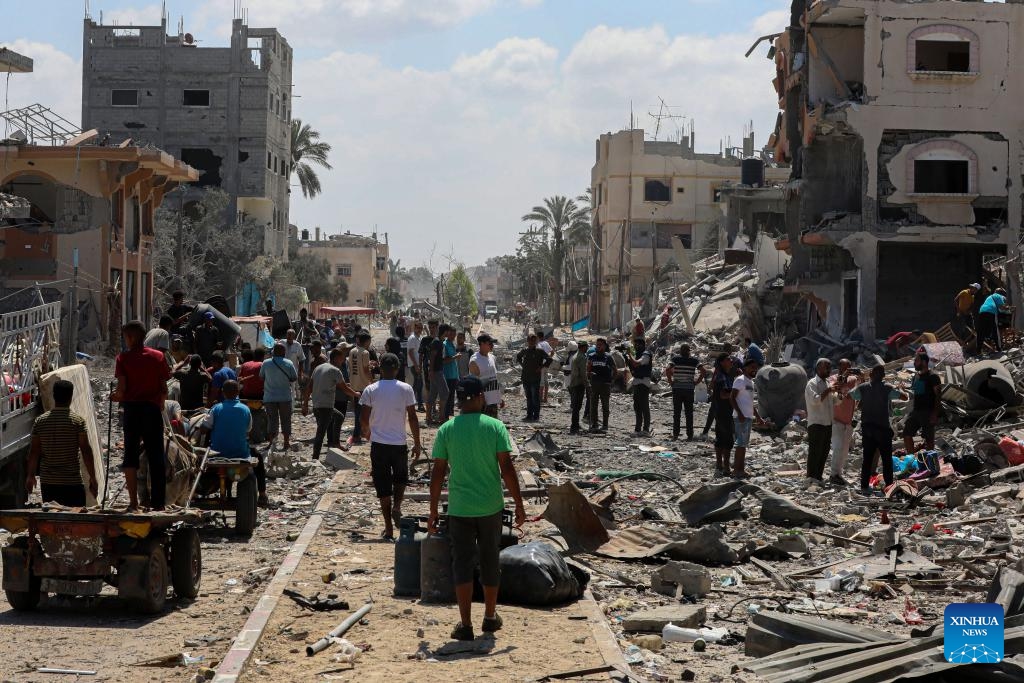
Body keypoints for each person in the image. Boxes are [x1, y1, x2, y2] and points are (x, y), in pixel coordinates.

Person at [428, 376, 525, 642]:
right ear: (481, 397)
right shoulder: (495, 427)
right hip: (490, 506)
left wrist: (433, 510)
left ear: (459, 400)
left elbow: (437, 473)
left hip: (459, 508)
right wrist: (518, 503)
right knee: (490, 560)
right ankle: (490, 617)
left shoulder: (446, 429)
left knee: (462, 563)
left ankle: (465, 624)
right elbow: (506, 468)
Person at [359, 353, 421, 540]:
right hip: (399, 443)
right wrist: (417, 443)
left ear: (380, 367)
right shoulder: (406, 389)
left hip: (379, 445)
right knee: (401, 479)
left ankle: (388, 528)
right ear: (397, 368)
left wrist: (367, 432)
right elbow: (412, 417)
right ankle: (397, 506)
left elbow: (363, 418)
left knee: (383, 487)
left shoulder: (371, 390)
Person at [112, 320, 171, 510]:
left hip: (132, 411)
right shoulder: (158, 357)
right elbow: (164, 389)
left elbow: (121, 390)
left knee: (130, 456)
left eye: (125, 337)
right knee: (156, 456)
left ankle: (133, 503)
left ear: (130, 337)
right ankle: (158, 503)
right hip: (152, 410)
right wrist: (160, 403)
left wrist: (114, 397)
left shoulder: (123, 359)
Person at [26, 379, 98, 507]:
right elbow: (86, 451)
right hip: (72, 482)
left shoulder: (40, 421)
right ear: (71, 397)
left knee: (54, 520)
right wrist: (93, 477)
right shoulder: (77, 422)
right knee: (74, 520)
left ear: (54, 396)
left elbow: (34, 451)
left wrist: (30, 476)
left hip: (48, 483)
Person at [198, 379, 269, 507]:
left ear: (223, 392)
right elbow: (248, 430)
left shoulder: (216, 409)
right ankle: (262, 494)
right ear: (238, 392)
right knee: (258, 457)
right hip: (240, 453)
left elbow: (203, 430)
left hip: (216, 454)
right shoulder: (245, 409)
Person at [303, 347, 361, 460]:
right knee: (321, 432)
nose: (343, 361)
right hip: (326, 406)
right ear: (336, 358)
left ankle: (336, 443)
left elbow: (309, 387)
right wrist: (356, 394)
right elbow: (344, 388)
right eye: (341, 359)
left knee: (339, 417)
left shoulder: (319, 368)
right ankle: (315, 458)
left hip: (317, 404)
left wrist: (305, 404)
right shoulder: (335, 370)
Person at [260, 342, 298, 451]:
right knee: (286, 420)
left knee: (272, 420)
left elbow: (261, 377)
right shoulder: (289, 363)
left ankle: (272, 443)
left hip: (269, 397)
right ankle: (286, 443)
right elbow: (294, 378)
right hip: (285, 397)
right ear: (284, 352)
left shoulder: (266, 363)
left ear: (273, 352)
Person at [903, 352, 941, 452]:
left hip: (928, 412)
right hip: (916, 412)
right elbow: (915, 393)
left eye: (916, 360)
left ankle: (930, 461)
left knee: (929, 439)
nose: (914, 363)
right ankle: (911, 459)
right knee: (907, 434)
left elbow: (938, 396)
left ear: (924, 362)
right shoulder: (916, 377)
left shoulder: (933, 377)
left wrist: (935, 413)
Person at [729, 358, 761, 478]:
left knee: (743, 445)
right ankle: (736, 471)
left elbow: (750, 403)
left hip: (747, 417)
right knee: (740, 445)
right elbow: (732, 398)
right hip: (740, 417)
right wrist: (740, 413)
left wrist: (758, 417)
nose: (754, 369)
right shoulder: (740, 380)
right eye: (752, 367)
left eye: (756, 367)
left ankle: (741, 470)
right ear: (745, 368)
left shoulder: (751, 382)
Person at [666, 344, 704, 441]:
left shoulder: (675, 359)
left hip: (677, 389)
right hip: (689, 389)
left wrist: (671, 382)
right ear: (689, 351)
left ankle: (675, 435)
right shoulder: (694, 360)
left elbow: (667, 369)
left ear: (680, 351)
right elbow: (703, 371)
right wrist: (696, 382)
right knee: (689, 413)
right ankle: (690, 435)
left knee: (677, 412)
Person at [804, 358, 834, 482]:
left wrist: (840, 392)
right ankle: (811, 477)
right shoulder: (812, 383)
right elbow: (815, 400)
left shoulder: (827, 383)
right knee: (815, 451)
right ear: (819, 368)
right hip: (816, 423)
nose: (829, 370)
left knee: (824, 451)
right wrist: (829, 390)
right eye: (826, 367)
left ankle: (818, 476)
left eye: (829, 367)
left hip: (827, 423)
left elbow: (835, 401)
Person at [829, 360, 858, 486]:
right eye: (844, 367)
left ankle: (839, 474)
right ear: (839, 367)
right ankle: (833, 474)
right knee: (838, 447)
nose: (847, 369)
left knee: (845, 450)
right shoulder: (833, 378)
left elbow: (856, 390)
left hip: (848, 421)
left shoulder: (853, 380)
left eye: (849, 367)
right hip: (836, 419)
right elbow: (834, 388)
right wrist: (843, 376)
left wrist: (857, 376)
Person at [515, 333, 550, 422]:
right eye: (530, 340)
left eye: (533, 340)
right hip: (526, 377)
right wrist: (522, 365)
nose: (532, 342)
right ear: (527, 341)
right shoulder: (525, 350)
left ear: (536, 341)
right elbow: (518, 357)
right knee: (529, 397)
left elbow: (549, 359)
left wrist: (541, 367)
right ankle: (529, 415)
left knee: (535, 397)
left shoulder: (539, 351)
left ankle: (536, 416)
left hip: (535, 378)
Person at [348, 331, 374, 445]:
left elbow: (353, 367)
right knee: (363, 412)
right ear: (367, 341)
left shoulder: (352, 351)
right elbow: (365, 370)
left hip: (354, 385)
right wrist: (371, 381)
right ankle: (358, 434)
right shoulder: (365, 353)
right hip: (364, 386)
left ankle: (357, 434)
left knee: (358, 412)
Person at [469, 333, 502, 418]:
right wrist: (480, 400)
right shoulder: (474, 361)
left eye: (492, 343)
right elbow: (474, 384)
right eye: (489, 343)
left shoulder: (492, 357)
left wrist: (499, 398)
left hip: (493, 401)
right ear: (482, 344)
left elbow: (494, 379)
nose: (492, 345)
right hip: (482, 403)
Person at [712, 354, 735, 474]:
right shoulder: (722, 377)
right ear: (721, 362)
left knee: (720, 437)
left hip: (720, 410)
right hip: (724, 411)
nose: (731, 361)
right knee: (727, 438)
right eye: (728, 359)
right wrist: (736, 395)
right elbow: (723, 395)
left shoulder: (724, 375)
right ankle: (726, 466)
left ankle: (719, 464)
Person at [626, 338, 654, 436]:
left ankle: (646, 429)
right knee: (637, 407)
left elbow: (636, 363)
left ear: (641, 345)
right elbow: (633, 366)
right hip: (637, 382)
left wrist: (629, 354)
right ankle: (638, 429)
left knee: (644, 407)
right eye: (635, 345)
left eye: (637, 345)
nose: (636, 347)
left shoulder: (646, 354)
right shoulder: (639, 354)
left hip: (643, 383)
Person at [588, 338, 614, 432]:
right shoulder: (591, 356)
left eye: (600, 345)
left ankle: (605, 425)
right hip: (594, 384)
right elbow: (588, 369)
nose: (598, 346)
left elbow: (615, 370)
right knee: (593, 406)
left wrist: (611, 381)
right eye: (597, 344)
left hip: (605, 385)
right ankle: (594, 425)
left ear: (604, 346)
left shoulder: (608, 357)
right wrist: (589, 374)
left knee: (605, 406)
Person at [426, 325, 449, 425]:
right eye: (448, 331)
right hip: (436, 372)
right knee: (445, 392)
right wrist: (431, 371)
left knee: (433, 395)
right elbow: (432, 356)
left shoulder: (439, 342)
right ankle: (441, 416)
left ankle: (429, 417)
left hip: (437, 371)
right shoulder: (437, 342)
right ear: (445, 332)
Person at [568, 340, 590, 434]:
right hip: (578, 384)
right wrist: (587, 385)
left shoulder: (575, 356)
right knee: (577, 406)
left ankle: (575, 425)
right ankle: (574, 427)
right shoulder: (582, 357)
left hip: (574, 383)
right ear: (583, 347)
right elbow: (583, 373)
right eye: (586, 347)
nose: (587, 348)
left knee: (576, 406)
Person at [978, 287, 1010, 352]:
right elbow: (1002, 307)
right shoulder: (999, 296)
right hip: (991, 312)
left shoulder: (989, 297)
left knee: (981, 331)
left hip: (982, 311)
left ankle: (978, 350)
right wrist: (1007, 309)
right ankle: (999, 348)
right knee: (995, 330)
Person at [442, 326, 460, 420]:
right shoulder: (445, 344)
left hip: (453, 375)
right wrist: (455, 357)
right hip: (448, 375)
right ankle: (445, 417)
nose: (453, 336)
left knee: (452, 397)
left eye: (454, 334)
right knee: (447, 397)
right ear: (447, 334)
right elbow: (444, 360)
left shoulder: (452, 344)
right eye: (451, 334)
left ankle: (448, 416)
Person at [407, 321, 424, 411]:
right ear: (415, 328)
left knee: (418, 385)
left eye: (421, 328)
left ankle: (415, 403)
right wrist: (416, 365)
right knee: (418, 384)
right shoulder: (412, 338)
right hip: (414, 365)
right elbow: (410, 352)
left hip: (417, 365)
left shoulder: (418, 338)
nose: (420, 330)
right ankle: (416, 403)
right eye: (418, 328)